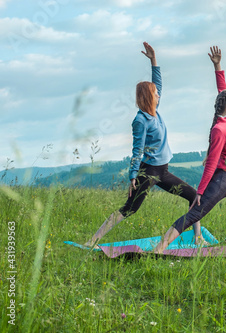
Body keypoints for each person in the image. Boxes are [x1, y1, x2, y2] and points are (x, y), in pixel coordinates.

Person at [84, 42, 206, 248]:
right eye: (155, 93)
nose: (159, 94)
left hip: (164, 171)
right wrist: (133, 175)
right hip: (148, 172)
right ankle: (93, 240)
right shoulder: (140, 120)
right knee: (130, 209)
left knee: (194, 196)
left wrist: (153, 61)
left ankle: (198, 237)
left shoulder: (155, 112)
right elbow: (137, 149)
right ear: (149, 96)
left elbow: (158, 83)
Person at [153, 46, 226, 254]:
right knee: (193, 215)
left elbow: (223, 92)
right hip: (222, 181)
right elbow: (212, 162)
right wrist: (200, 191)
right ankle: (159, 248)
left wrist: (217, 66)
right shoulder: (220, 129)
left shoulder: (225, 120)